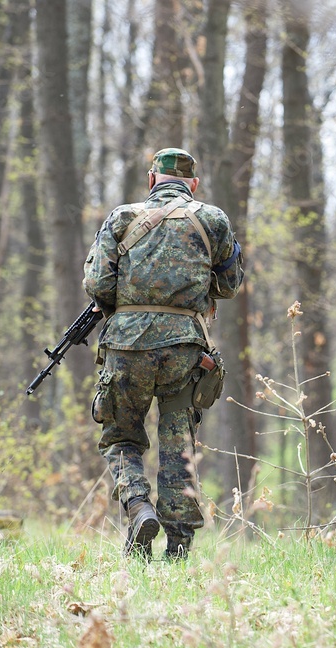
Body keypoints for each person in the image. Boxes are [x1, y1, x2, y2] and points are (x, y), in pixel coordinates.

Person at [83, 147, 243, 561]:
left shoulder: (122, 217)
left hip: (126, 347)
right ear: (193, 185)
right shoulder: (213, 219)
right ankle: (178, 547)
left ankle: (138, 508)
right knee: (178, 444)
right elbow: (229, 285)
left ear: (152, 180)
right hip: (184, 349)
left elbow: (98, 284)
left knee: (121, 436)